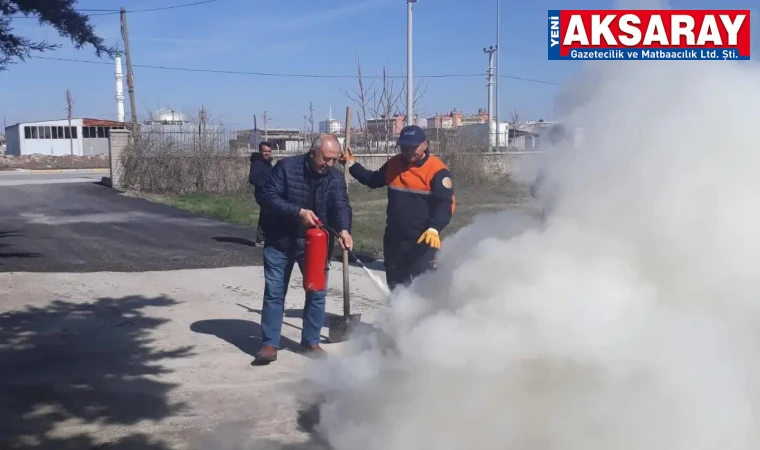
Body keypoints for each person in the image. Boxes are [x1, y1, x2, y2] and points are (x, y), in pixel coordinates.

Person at [254, 134, 353, 364]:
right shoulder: (286, 168)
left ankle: (310, 341)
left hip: (316, 244)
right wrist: (298, 212)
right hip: (280, 240)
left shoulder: (335, 178)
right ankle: (269, 343)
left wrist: (345, 230)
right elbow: (268, 197)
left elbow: (340, 205)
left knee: (317, 292)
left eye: (333, 159)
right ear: (312, 153)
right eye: (325, 159)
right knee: (275, 292)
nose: (329, 164)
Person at [339, 125, 455, 291]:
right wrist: (352, 165)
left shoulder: (437, 171)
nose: (408, 152)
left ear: (425, 144)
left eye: (412, 147)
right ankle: (397, 317)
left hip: (423, 241)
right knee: (396, 288)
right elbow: (373, 180)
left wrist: (434, 228)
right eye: (404, 147)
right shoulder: (394, 164)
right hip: (394, 241)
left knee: (424, 290)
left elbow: (446, 204)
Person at [249, 141, 273, 244]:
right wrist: (266, 185)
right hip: (262, 193)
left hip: (269, 193)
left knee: (269, 214)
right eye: (265, 151)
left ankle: (265, 237)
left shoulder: (267, 163)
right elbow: (252, 179)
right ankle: (260, 238)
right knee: (266, 214)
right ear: (260, 151)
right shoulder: (257, 163)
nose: (267, 153)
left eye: (269, 151)